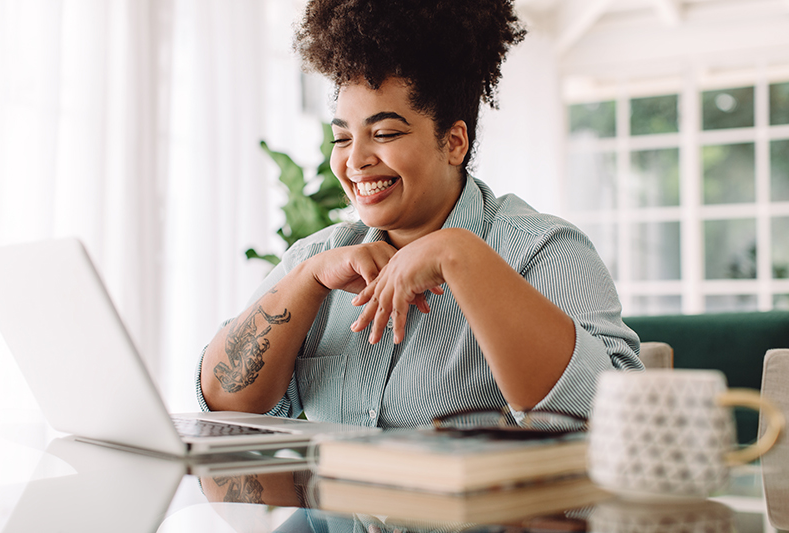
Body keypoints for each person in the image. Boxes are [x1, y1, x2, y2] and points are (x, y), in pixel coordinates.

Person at [197, 0, 642, 428]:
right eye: (342, 138)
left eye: (385, 133)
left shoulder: (544, 251)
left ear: (453, 142)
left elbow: (620, 422)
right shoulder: (319, 260)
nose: (355, 161)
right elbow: (224, 405)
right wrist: (306, 282)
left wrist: (461, 255)